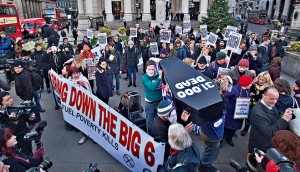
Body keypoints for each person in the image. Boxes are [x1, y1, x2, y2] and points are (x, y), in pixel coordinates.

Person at [248, 87, 292, 154]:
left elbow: (276, 119)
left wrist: (285, 114)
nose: (274, 101)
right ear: (263, 95)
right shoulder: (258, 112)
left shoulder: (270, 105)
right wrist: (284, 119)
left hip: (269, 144)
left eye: (276, 99)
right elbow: (269, 132)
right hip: (261, 147)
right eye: (272, 98)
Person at [198, 76, 227, 172]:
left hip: (210, 131)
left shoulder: (211, 98)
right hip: (211, 134)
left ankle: (207, 164)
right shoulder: (216, 103)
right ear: (223, 88)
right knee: (210, 149)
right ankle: (204, 165)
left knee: (213, 148)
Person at [0, 92, 39, 156]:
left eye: (10, 98)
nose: (11, 100)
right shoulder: (2, 117)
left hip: (26, 139)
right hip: (17, 145)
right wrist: (14, 123)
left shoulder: (16, 109)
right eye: (7, 100)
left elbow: (27, 119)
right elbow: (7, 134)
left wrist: (30, 118)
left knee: (30, 154)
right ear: (1, 105)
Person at [223, 75, 253, 147]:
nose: (251, 84)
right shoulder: (234, 90)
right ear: (245, 84)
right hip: (230, 113)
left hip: (239, 114)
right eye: (250, 83)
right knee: (225, 128)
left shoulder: (247, 90)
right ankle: (221, 140)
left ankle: (229, 139)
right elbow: (224, 96)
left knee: (233, 129)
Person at [241, 71, 274, 136]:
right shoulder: (254, 84)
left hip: (258, 105)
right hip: (250, 102)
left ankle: (249, 128)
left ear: (266, 81)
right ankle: (245, 126)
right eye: (260, 79)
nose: (261, 81)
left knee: (253, 117)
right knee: (246, 115)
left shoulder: (267, 88)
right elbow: (248, 89)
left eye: (263, 80)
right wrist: (249, 93)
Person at [68, 66, 92, 144]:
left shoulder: (83, 79)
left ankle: (93, 136)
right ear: (71, 74)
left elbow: (88, 91)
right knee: (82, 120)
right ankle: (84, 134)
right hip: (77, 104)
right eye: (74, 73)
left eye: (77, 73)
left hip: (86, 103)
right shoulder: (69, 81)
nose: (76, 75)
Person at [142, 60, 163, 135]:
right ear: (145, 69)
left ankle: (159, 136)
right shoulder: (144, 77)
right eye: (149, 69)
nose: (151, 71)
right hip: (149, 104)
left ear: (155, 69)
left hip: (159, 102)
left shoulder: (158, 73)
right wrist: (159, 77)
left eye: (152, 69)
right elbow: (152, 87)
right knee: (150, 123)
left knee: (159, 122)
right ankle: (150, 137)